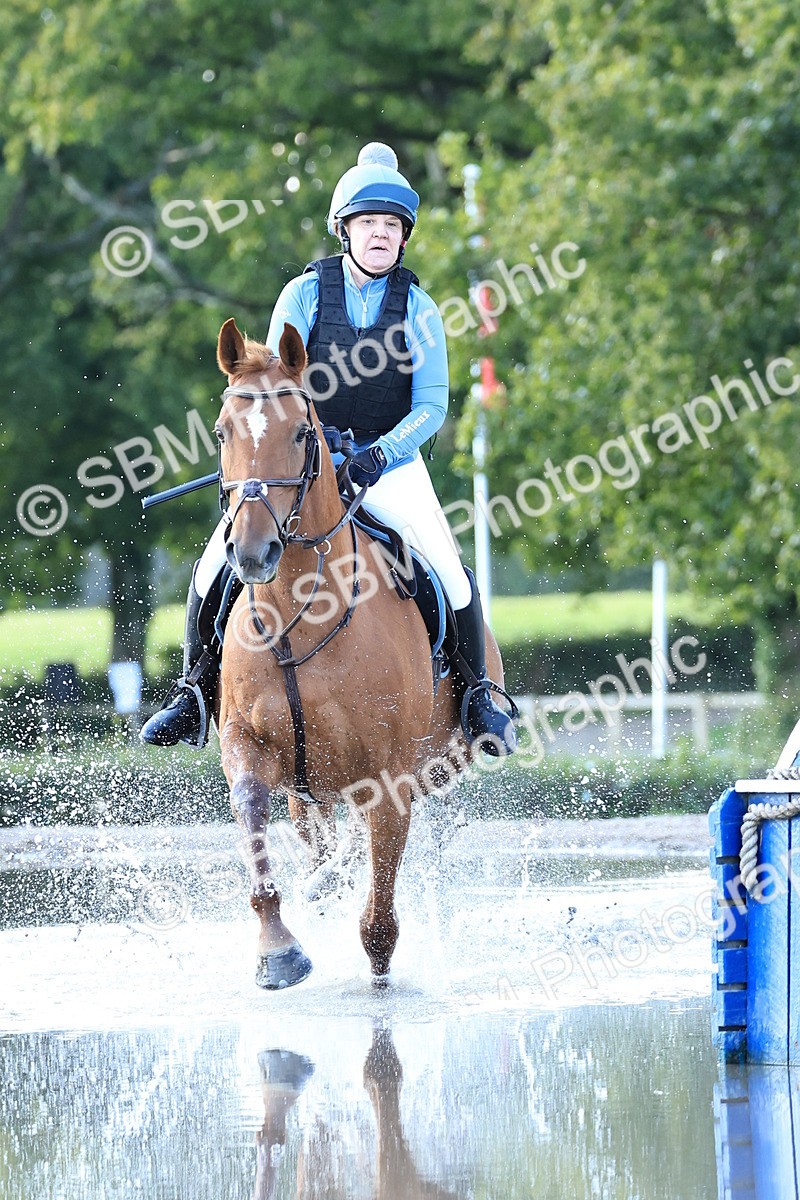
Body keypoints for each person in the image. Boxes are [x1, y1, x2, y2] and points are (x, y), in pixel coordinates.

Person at [141, 143, 516, 756]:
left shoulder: (419, 309)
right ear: (345, 230)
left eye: (391, 226)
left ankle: (477, 699)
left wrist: (376, 455)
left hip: (387, 463)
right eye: (368, 223)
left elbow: (432, 407)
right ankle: (191, 694)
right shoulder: (305, 294)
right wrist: (308, 447)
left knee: (449, 571)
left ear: (403, 238)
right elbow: (273, 383)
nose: (379, 235)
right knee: (215, 563)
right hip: (300, 460)